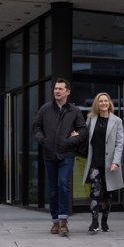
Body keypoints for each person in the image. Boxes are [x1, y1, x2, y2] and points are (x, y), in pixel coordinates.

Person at [32, 78, 88, 237]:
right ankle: (55, 221)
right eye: (55, 88)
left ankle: (64, 221)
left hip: (67, 154)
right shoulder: (45, 109)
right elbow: (36, 127)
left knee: (63, 184)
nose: (57, 91)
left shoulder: (75, 111)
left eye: (60, 89)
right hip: (49, 154)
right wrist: (43, 140)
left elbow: (83, 131)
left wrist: (71, 141)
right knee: (53, 189)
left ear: (67, 92)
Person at [80, 92, 124, 233]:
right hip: (95, 162)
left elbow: (119, 143)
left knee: (107, 194)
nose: (103, 103)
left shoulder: (117, 121)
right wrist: (77, 135)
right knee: (95, 192)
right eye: (100, 101)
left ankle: (104, 220)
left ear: (109, 103)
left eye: (105, 101)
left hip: (110, 164)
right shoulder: (91, 119)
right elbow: (85, 135)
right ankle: (94, 222)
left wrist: (116, 162)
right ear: (97, 104)